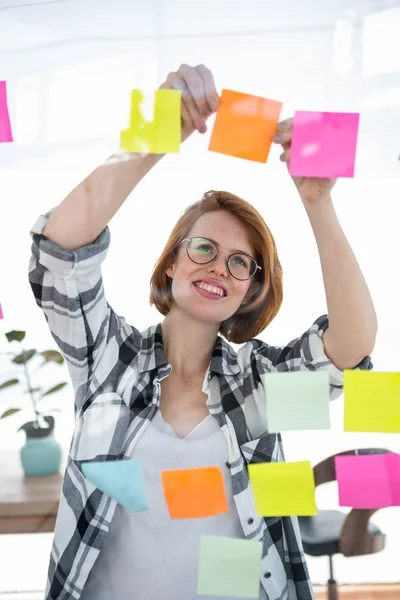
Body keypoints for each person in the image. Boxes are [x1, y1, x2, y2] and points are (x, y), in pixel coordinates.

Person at [28, 64, 377, 600]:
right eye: (204, 249)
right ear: (171, 263)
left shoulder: (258, 384)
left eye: (240, 263)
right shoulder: (108, 359)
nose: (219, 267)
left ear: (249, 292)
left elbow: (350, 349)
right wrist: (154, 134)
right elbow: (60, 256)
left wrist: (318, 201)